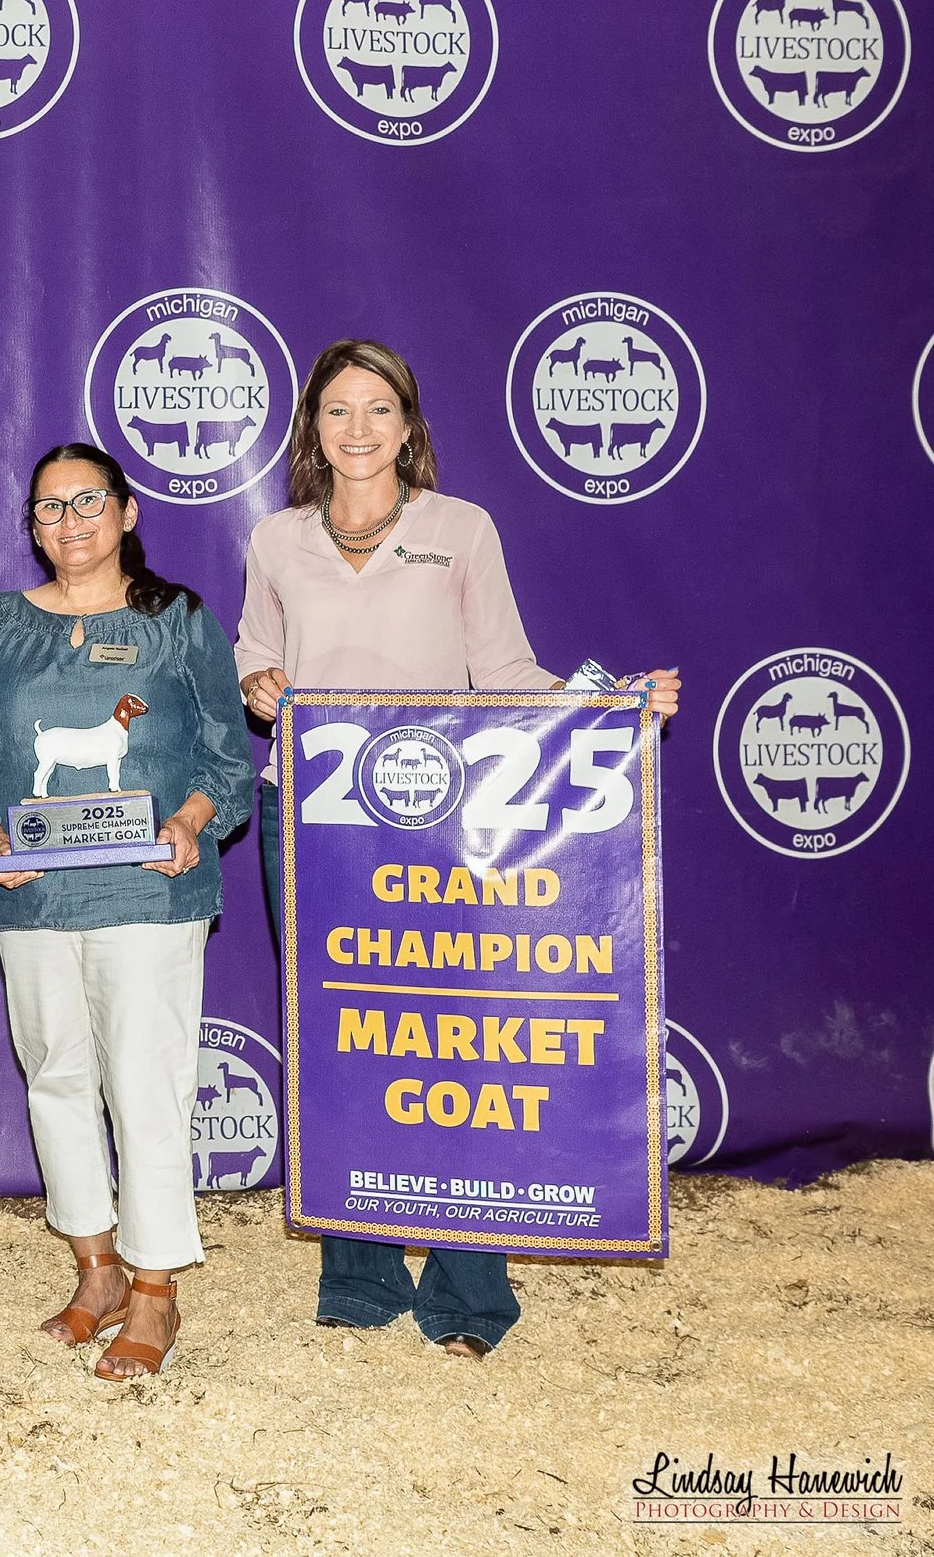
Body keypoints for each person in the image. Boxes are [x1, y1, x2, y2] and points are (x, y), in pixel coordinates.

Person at [235, 339, 682, 1359]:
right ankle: (356, 1279)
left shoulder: (461, 528)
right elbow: (257, 650)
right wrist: (258, 681)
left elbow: (505, 669)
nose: (357, 428)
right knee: (339, 1040)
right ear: (312, 428)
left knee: (457, 1042)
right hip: (310, 815)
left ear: (408, 426)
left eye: (377, 408)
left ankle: (471, 1293)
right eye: (337, 410)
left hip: (444, 821)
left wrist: (610, 706)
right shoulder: (275, 539)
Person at [0, 444, 253, 1379]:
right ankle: (98, 1268)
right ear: (32, 527)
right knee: (55, 1076)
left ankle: (157, 1289)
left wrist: (191, 822)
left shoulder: (178, 621)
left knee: (147, 1084)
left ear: (126, 513)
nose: (69, 521)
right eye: (49, 507)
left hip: (150, 892)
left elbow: (227, 757)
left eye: (87, 502)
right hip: (34, 894)